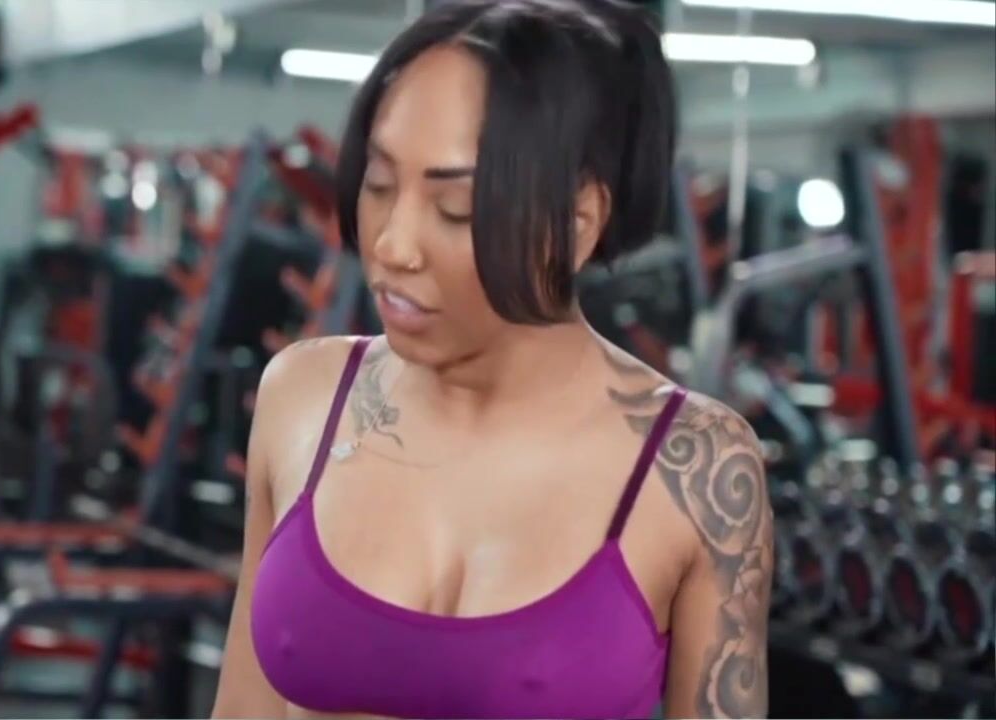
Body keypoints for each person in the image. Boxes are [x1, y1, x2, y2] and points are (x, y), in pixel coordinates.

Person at [212, 0, 774, 717]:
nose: (392, 245)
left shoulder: (696, 466)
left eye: (454, 209)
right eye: (379, 186)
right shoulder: (305, 397)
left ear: (574, 224)